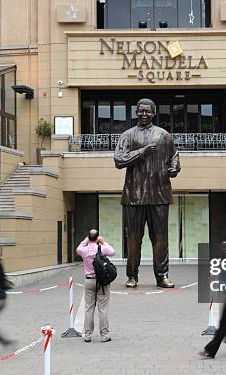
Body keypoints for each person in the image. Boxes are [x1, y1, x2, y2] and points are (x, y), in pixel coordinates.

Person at [114, 98, 180, 289]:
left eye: (147, 111)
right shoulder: (128, 135)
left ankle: (162, 276)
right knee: (134, 238)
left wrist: (174, 168)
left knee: (160, 238)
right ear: (136, 112)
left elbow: (174, 156)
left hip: (159, 193)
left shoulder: (164, 135)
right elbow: (119, 160)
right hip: (134, 195)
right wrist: (142, 151)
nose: (144, 114)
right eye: (141, 111)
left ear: (154, 113)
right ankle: (132, 276)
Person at [76, 229, 116, 342]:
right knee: (103, 309)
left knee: (89, 308)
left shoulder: (83, 250)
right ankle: (104, 335)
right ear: (97, 237)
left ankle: (88, 335)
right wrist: (103, 242)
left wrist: (86, 240)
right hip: (102, 282)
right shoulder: (102, 249)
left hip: (89, 281)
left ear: (88, 237)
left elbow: (78, 248)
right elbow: (113, 252)